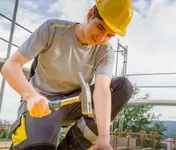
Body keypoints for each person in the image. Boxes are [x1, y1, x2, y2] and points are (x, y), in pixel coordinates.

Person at [1, 0, 134, 149]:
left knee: (123, 86)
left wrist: (103, 138)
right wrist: (31, 96)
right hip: (43, 102)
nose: (101, 38)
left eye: (109, 35)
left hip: (75, 102)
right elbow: (10, 65)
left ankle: (73, 145)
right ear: (90, 15)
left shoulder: (105, 51)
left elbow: (102, 89)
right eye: (100, 27)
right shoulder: (53, 30)